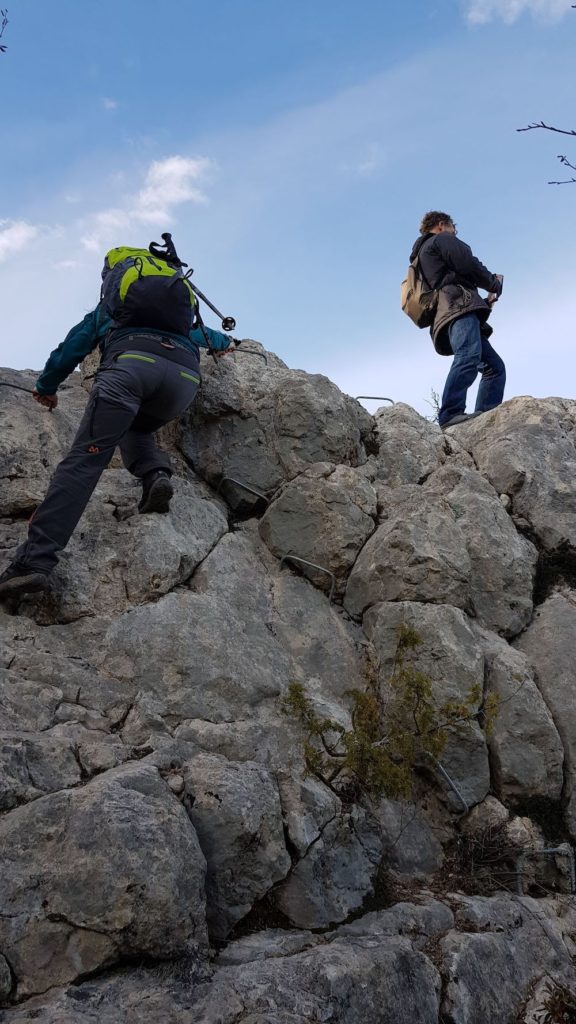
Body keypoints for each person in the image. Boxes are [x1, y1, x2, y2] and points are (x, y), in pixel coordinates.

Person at [0, 298, 235, 599]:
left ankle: (32, 562)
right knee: (135, 425)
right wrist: (225, 341)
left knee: (84, 463)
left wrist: (46, 387)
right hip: (183, 382)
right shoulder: (173, 313)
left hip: (130, 370)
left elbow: (73, 346)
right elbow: (204, 334)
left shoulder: (112, 307)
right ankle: (155, 474)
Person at [411, 211, 505, 430]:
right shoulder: (441, 240)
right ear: (442, 225)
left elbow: (454, 277)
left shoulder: (422, 254)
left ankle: (484, 419)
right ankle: (450, 414)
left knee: (494, 367)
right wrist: (493, 283)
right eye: (454, 228)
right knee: (468, 356)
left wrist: (485, 300)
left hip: (450, 310)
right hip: (456, 308)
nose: (455, 233)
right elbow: (467, 263)